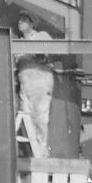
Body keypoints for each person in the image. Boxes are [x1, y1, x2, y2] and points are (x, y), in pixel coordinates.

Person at [16, 13, 55, 157]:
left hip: (40, 80)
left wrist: (26, 53)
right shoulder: (18, 41)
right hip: (25, 82)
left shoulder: (41, 36)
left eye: (25, 20)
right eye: (20, 20)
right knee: (27, 115)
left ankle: (42, 151)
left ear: (32, 24)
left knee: (41, 117)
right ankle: (33, 152)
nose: (21, 23)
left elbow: (44, 53)